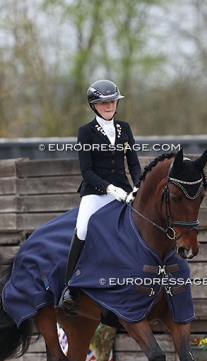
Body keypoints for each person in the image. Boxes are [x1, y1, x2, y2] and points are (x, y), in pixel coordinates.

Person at [58, 79, 142, 310]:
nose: (109, 106)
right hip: (96, 191)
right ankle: (70, 286)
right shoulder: (85, 132)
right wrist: (109, 189)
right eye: (104, 103)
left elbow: (133, 163)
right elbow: (86, 171)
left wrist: (137, 185)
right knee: (83, 227)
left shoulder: (124, 128)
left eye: (113, 101)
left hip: (124, 189)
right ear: (94, 105)